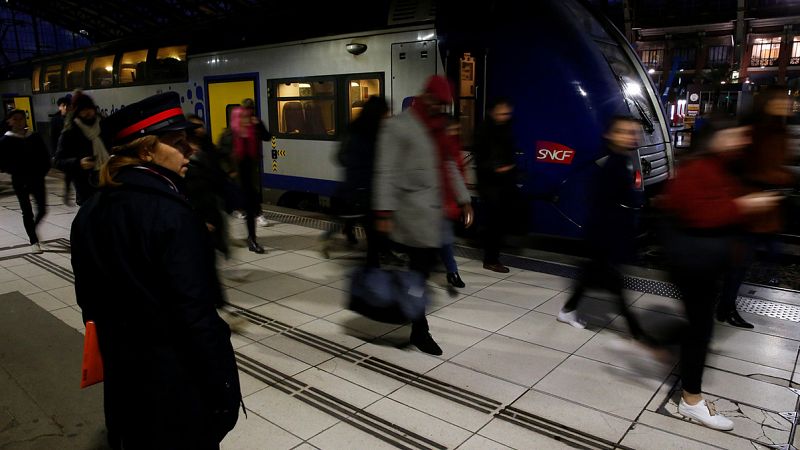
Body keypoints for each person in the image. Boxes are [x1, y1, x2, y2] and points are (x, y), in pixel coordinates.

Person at [71, 92, 241, 448]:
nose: (190, 151)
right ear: (147, 150)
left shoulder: (89, 211)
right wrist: (224, 391)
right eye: (179, 143)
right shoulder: (172, 215)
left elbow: (87, 300)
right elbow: (195, 315)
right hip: (176, 388)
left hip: (124, 380)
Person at [659, 118, 781, 430]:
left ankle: (684, 377)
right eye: (735, 135)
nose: (741, 141)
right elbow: (699, 214)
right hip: (694, 265)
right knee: (700, 329)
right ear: (715, 138)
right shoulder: (697, 169)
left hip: (706, 264)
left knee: (699, 326)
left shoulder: (720, 165)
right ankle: (690, 401)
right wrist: (745, 205)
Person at [373, 75, 473, 355]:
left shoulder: (437, 128)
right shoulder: (399, 127)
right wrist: (383, 212)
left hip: (432, 215)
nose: (441, 109)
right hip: (409, 215)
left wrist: (464, 199)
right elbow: (385, 171)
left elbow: (449, 164)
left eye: (445, 105)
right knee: (417, 274)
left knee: (419, 274)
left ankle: (414, 319)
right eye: (438, 102)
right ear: (426, 96)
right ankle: (420, 329)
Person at [557, 116, 650, 344]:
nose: (631, 136)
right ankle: (635, 330)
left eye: (634, 132)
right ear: (610, 135)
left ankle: (568, 310)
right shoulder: (610, 162)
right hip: (604, 234)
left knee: (591, 277)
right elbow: (607, 200)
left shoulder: (618, 159)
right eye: (624, 132)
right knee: (614, 284)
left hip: (604, 234)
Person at [717, 86, 798, 327]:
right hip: (751, 209)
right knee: (740, 264)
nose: (787, 104)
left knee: (765, 256)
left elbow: (783, 162)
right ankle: (726, 307)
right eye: (781, 100)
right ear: (767, 102)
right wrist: (781, 178)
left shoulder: (780, 130)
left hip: (768, 210)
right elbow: (748, 168)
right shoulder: (756, 131)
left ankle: (726, 304)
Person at [323, 96, 389, 264]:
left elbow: (339, 156)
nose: (386, 117)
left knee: (352, 218)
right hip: (365, 188)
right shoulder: (374, 133)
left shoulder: (354, 128)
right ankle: (373, 265)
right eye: (385, 113)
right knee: (370, 228)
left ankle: (372, 258)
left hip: (354, 185)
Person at [474, 97, 516, 273]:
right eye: (502, 113)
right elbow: (482, 158)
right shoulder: (484, 131)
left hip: (502, 182)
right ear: (493, 112)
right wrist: (497, 169)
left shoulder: (504, 128)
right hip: (490, 183)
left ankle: (494, 252)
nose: (506, 116)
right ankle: (490, 259)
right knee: (494, 221)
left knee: (498, 219)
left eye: (507, 113)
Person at [0, 110, 51, 253]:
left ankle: (32, 229)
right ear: (9, 121)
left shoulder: (34, 137)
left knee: (43, 209)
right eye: (15, 119)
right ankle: (33, 240)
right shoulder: (5, 140)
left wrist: (42, 172)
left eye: (21, 119)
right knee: (27, 211)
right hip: (20, 180)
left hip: (37, 178)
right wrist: (13, 169)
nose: (18, 122)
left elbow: (45, 157)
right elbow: (2, 162)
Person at [185, 114, 231, 260]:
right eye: (196, 127)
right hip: (201, 207)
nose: (200, 129)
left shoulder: (207, 146)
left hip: (214, 199)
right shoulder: (186, 155)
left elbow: (216, 166)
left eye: (201, 126)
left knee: (220, 235)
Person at [231, 98, 271, 253]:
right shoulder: (232, 133)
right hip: (236, 179)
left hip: (249, 177)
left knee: (250, 204)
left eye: (251, 112)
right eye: (246, 112)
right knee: (238, 205)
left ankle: (252, 239)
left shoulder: (255, 126)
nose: (248, 116)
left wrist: (258, 125)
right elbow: (224, 151)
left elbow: (267, 137)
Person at [54, 91, 109, 205]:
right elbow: (58, 161)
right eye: (83, 110)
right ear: (77, 112)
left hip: (108, 177)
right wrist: (79, 163)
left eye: (89, 108)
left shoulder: (104, 126)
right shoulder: (70, 132)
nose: (87, 113)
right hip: (85, 185)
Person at [440, 118, 472, 289]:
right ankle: (452, 272)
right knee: (443, 239)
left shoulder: (451, 147)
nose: (456, 133)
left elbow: (455, 174)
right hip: (434, 203)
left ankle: (452, 272)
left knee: (444, 238)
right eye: (452, 129)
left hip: (446, 202)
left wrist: (464, 200)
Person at [50, 96, 74, 205]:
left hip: (74, 150)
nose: (63, 108)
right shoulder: (56, 119)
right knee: (70, 172)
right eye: (62, 106)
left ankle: (70, 192)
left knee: (72, 172)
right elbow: (53, 138)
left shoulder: (75, 117)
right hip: (64, 152)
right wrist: (54, 153)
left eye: (67, 106)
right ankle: (68, 192)